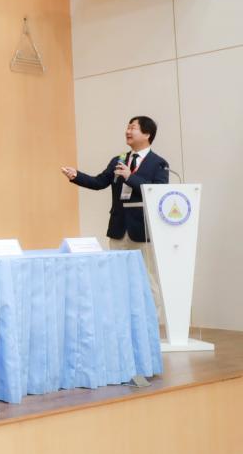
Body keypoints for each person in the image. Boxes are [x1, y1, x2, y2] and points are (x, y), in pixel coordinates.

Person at [60, 116, 169, 317]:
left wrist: (130, 177)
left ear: (147, 134)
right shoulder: (119, 160)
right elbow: (99, 182)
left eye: (133, 128)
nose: (128, 131)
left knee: (147, 278)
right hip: (119, 229)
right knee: (118, 278)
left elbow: (158, 192)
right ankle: (123, 320)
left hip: (143, 231)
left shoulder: (159, 163)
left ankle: (152, 323)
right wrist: (77, 176)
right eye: (127, 127)